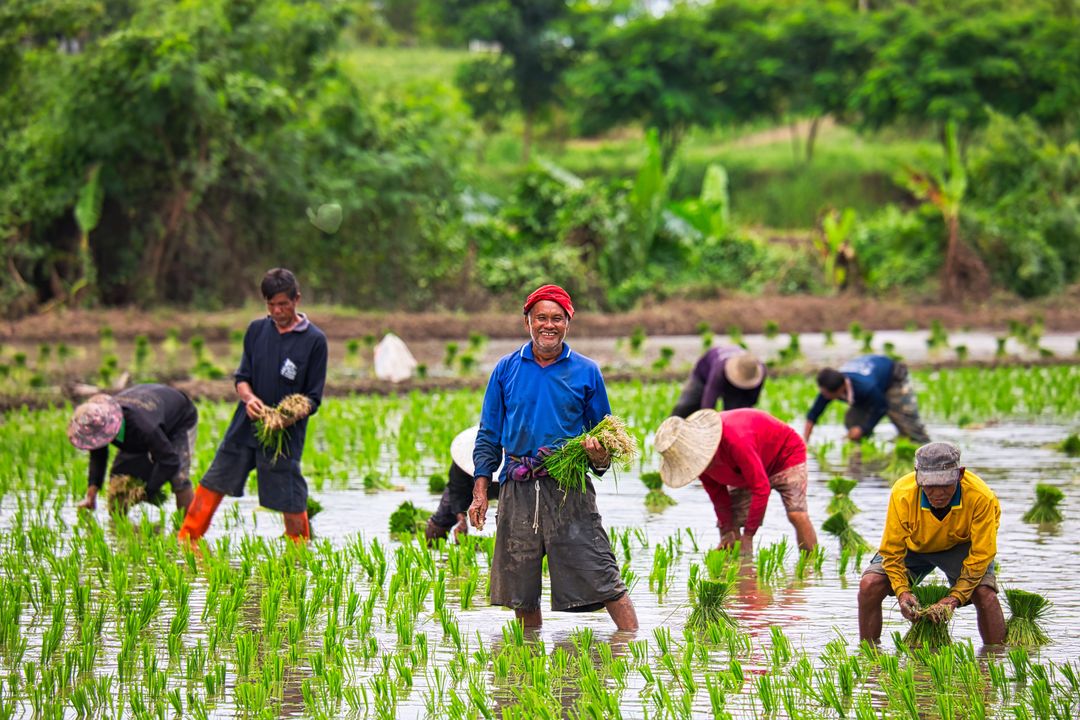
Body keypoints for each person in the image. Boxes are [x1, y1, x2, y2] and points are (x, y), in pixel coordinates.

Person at [467, 284, 638, 631]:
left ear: (567, 322)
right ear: (527, 321)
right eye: (541, 317)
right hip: (518, 490)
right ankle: (530, 667)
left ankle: (632, 644)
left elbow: (603, 438)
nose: (549, 325)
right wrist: (481, 489)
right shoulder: (505, 370)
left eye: (556, 318)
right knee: (521, 592)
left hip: (569, 489)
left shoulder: (586, 371)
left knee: (604, 577)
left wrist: (599, 454)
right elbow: (489, 435)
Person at [177, 268, 328, 543]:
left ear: (297, 299)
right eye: (271, 305)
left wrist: (286, 416)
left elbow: (312, 398)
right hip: (245, 425)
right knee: (216, 477)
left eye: (283, 304)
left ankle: (299, 548)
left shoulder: (314, 341)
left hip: (285, 434)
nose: (277, 311)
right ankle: (187, 539)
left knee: (290, 491)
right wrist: (250, 398)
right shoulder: (257, 331)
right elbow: (242, 378)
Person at [858, 442, 1005, 645]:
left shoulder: (981, 497)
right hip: (914, 545)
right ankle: (868, 654)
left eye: (945, 485)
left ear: (960, 474)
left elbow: (981, 555)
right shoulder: (903, 492)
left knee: (984, 593)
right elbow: (891, 552)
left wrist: (954, 598)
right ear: (918, 476)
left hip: (959, 545)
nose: (937, 494)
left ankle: (996, 659)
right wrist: (902, 592)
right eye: (929, 486)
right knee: (870, 584)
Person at [655, 408, 817, 552]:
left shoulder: (735, 439)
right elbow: (718, 497)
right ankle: (741, 577)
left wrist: (748, 535)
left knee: (796, 514)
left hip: (785, 455)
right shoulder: (698, 463)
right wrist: (727, 531)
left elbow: (761, 488)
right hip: (747, 469)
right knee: (728, 526)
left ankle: (811, 567)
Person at [68, 384, 198, 512]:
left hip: (179, 418)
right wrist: (91, 493)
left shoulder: (144, 427)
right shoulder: (98, 425)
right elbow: (98, 455)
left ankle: (188, 529)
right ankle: (117, 529)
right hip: (149, 411)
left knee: (179, 478)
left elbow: (170, 461)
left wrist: (148, 491)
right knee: (119, 478)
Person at [804, 354, 929, 443]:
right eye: (823, 393)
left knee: (909, 427)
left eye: (827, 395)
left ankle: (921, 444)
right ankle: (861, 451)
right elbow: (814, 414)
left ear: (841, 389)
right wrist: (805, 441)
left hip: (892, 377)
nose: (824, 397)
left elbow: (881, 407)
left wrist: (863, 429)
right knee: (853, 422)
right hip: (873, 379)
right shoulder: (830, 385)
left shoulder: (864, 387)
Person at [425, 426, 500, 542]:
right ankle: (433, 549)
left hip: (505, 483)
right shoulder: (462, 463)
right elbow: (456, 490)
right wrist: (461, 520)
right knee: (439, 523)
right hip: (469, 487)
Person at [671, 345, 765, 417]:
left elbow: (752, 399)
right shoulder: (719, 369)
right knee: (686, 406)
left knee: (735, 413)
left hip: (736, 387)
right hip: (703, 376)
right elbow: (709, 401)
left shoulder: (757, 370)